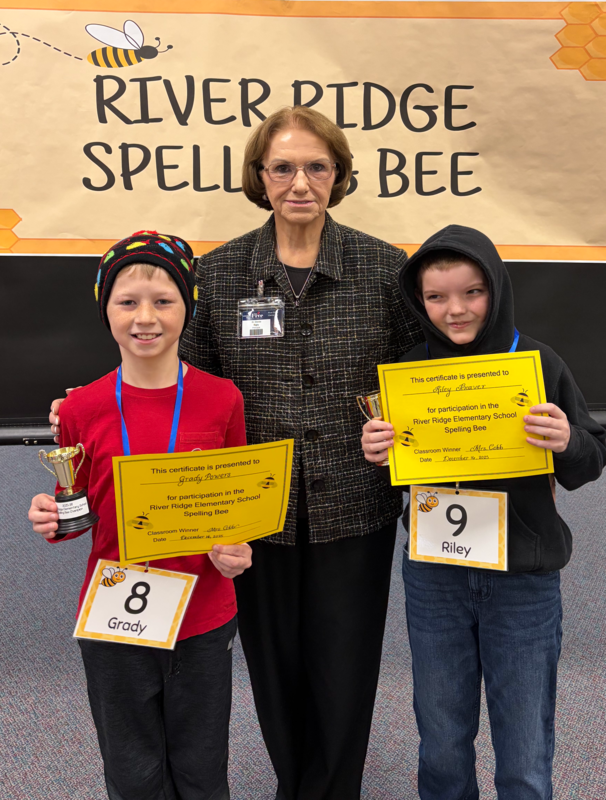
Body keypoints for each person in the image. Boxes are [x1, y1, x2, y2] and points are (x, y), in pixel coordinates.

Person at [50, 107, 423, 799]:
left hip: (354, 504)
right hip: (249, 515)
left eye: (317, 166)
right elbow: (172, 383)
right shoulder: (220, 275)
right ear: (259, 177)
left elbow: (419, 374)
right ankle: (292, 783)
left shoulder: (382, 268)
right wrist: (89, 400)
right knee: (274, 667)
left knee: (345, 665)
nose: (300, 182)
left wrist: (404, 428)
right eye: (282, 167)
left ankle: (333, 789)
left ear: (340, 175)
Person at [361, 224, 606, 800]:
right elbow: (402, 477)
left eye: (472, 291)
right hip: (435, 578)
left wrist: (568, 439)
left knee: (523, 748)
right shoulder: (407, 370)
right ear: (419, 302)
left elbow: (589, 462)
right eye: (437, 296)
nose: (456, 309)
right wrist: (378, 455)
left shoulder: (538, 363)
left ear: (496, 288)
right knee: (442, 741)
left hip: (523, 577)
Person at [29, 231, 253, 800]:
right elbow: (77, 507)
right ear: (105, 310)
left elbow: (236, 508)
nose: (145, 317)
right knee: (132, 771)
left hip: (203, 614)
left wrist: (237, 548)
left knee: (203, 768)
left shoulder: (223, 398)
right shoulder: (81, 407)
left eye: (164, 301)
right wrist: (52, 516)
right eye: (127, 302)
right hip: (114, 618)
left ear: (188, 308)